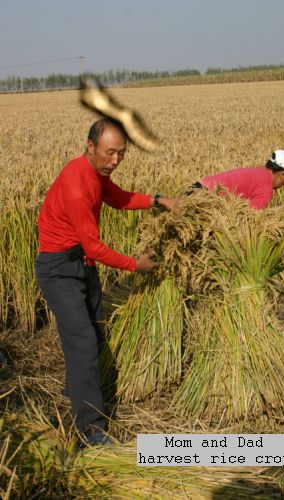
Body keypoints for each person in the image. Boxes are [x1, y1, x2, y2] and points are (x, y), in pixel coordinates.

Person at [36, 118, 179, 447]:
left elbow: (119, 198)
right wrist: (136, 266)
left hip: (81, 265)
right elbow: (94, 247)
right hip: (59, 270)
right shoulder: (76, 185)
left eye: (122, 153)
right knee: (83, 341)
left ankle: (74, 390)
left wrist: (159, 200)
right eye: (110, 152)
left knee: (95, 332)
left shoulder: (97, 175)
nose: (116, 160)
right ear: (90, 147)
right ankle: (91, 431)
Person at [191, 150, 284, 209]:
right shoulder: (266, 189)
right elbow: (246, 215)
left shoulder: (259, 172)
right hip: (204, 200)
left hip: (198, 187)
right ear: (283, 174)